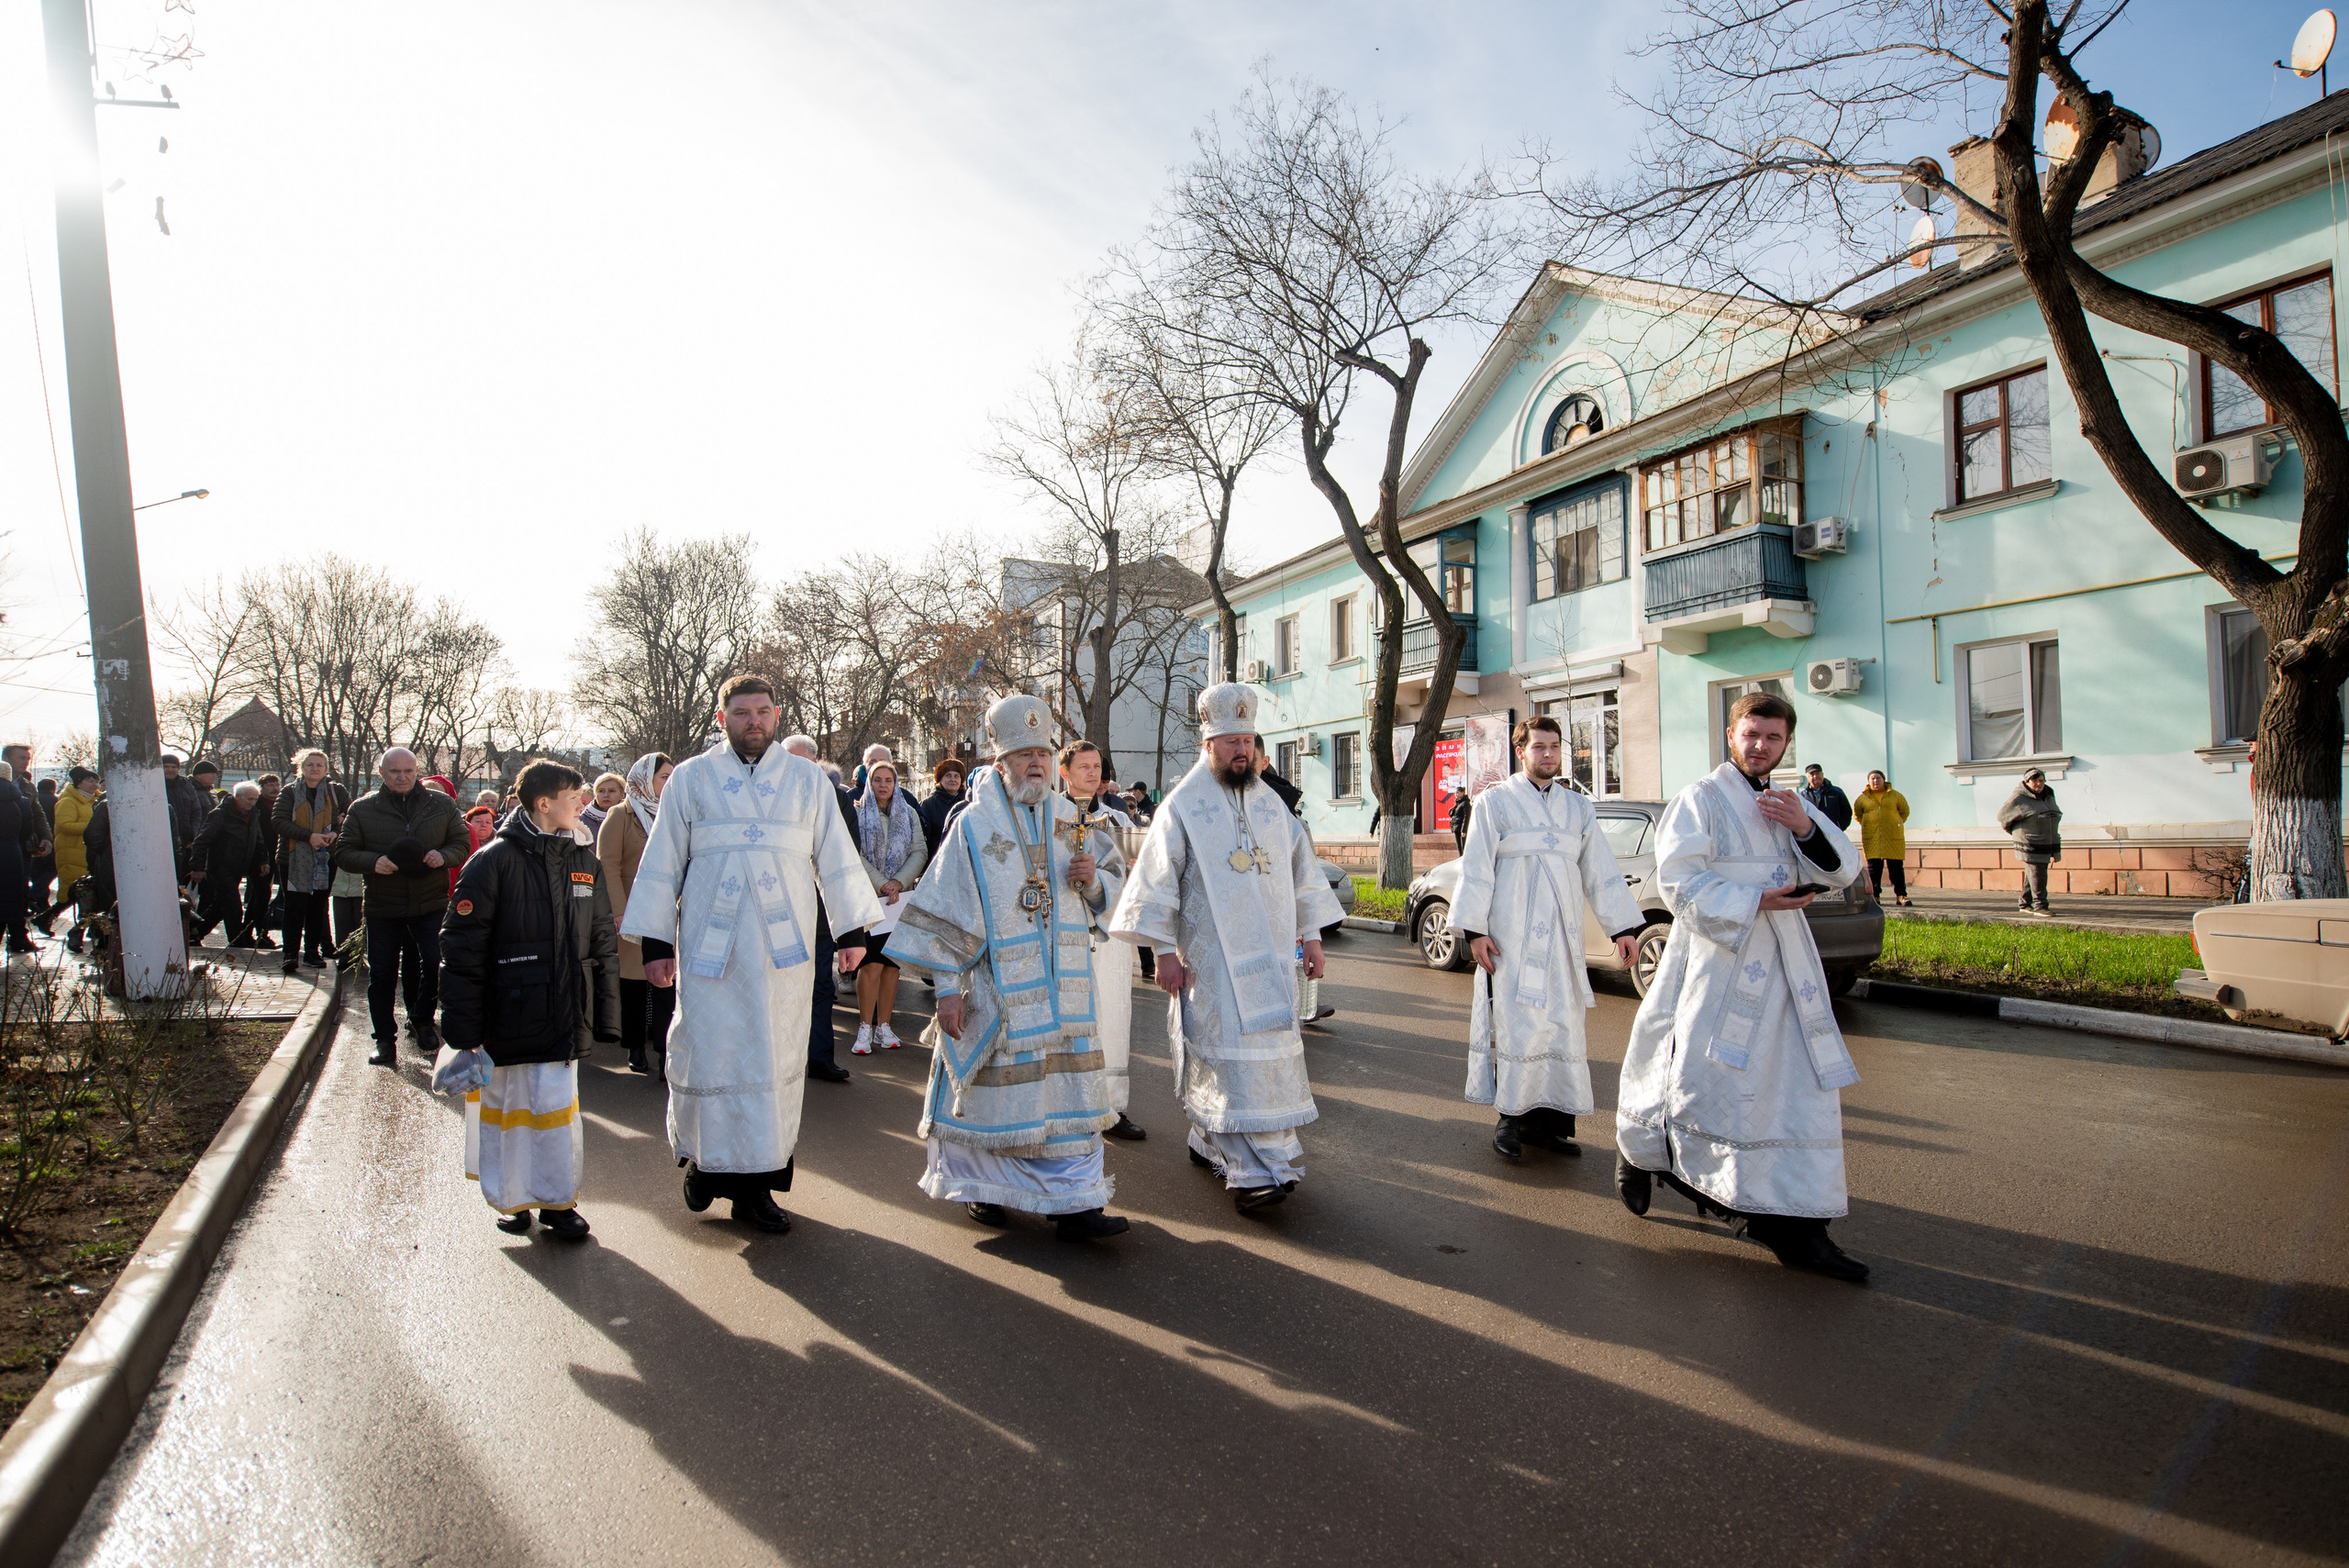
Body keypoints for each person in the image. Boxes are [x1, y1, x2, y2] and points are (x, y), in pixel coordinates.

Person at [1614, 690, 1872, 1284]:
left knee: (1797, 1088)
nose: (1760, 745)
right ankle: (1646, 1152)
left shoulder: (1789, 803)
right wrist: (1754, 900)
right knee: (1703, 1080)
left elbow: (1842, 868)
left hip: (1786, 965)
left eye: (1773, 737)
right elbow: (1677, 882)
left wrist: (1805, 825)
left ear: (1787, 743)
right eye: (1750, 734)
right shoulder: (1700, 799)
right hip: (1716, 962)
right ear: (1731, 735)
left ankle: (1798, 1222)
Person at [620, 676, 885, 1235]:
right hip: (708, 953)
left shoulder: (807, 780)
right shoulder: (691, 779)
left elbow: (835, 853)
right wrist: (655, 943)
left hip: (781, 957)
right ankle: (704, 1166)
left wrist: (851, 931)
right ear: (722, 718)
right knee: (709, 1053)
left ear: (777, 714)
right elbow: (663, 860)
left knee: (772, 1061)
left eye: (763, 711)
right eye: (742, 713)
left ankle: (758, 1190)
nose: (754, 722)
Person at [887, 695, 1132, 1241]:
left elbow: (1112, 886)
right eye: (1024, 755)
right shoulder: (972, 827)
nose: (1036, 765)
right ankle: (982, 1189)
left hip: (1066, 992)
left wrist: (1093, 880)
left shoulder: (1074, 819)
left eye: (1042, 753)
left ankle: (1073, 1200)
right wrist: (947, 991)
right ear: (1001, 762)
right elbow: (944, 912)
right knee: (998, 1098)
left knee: (1064, 1096)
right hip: (996, 994)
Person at [1108, 683, 1344, 1212]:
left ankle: (1216, 1142)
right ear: (1208, 744)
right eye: (1230, 741)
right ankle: (1252, 1171)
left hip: (1273, 960)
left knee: (1266, 1062)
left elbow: (1303, 874)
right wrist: (1164, 953)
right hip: (1211, 964)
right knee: (1229, 1065)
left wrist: (1312, 938)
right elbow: (1156, 883)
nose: (1242, 750)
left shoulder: (1271, 808)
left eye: (1248, 739)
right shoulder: (1183, 806)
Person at [1449, 717, 1645, 1162]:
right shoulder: (1494, 803)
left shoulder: (1578, 808)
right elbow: (1476, 867)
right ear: (1522, 751)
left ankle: (1549, 1124)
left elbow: (1600, 872)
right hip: (1511, 939)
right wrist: (1476, 931)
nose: (1549, 755)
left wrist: (1623, 928)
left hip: (1562, 942)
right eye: (1539, 747)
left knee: (1560, 1025)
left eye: (1555, 746)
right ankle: (1511, 1121)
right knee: (1519, 1028)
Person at [440, 759, 618, 1240]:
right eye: (574, 795)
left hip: (563, 1014)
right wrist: (462, 1030)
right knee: (510, 1113)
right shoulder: (493, 861)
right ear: (544, 803)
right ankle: (511, 1200)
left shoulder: (584, 860)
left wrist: (607, 1013)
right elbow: (462, 949)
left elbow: (601, 937)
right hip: (508, 1014)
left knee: (557, 1113)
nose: (582, 802)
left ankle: (560, 1204)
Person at [337, 746, 473, 1066]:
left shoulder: (440, 804)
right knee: (382, 974)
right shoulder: (363, 808)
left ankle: (422, 1019)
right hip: (383, 906)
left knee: (436, 962)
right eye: (395, 771)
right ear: (382, 773)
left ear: (417, 771)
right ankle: (384, 1040)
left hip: (430, 901)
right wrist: (374, 862)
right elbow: (343, 852)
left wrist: (444, 856)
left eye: (408, 771)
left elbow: (461, 843)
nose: (402, 777)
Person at [1061, 740, 1145, 1140]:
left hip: (1109, 935)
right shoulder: (1050, 817)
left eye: (1097, 767)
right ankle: (1070, 1105)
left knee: (1113, 1015)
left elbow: (1137, 877)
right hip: (1065, 936)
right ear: (1065, 772)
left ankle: (1113, 1108)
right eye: (1084, 766)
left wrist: (1132, 869)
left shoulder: (1116, 820)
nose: (1093, 773)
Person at [781, 734, 861, 1084]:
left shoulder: (837, 800)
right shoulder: (767, 796)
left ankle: (819, 1058)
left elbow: (845, 856)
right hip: (777, 912)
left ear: (815, 763)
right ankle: (782, 1062)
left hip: (817, 912)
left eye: (799, 761)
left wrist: (849, 930)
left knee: (820, 989)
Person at [599, 751, 675, 1076]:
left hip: (668, 910)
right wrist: (619, 911)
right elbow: (607, 865)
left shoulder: (674, 812)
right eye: (663, 777)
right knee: (634, 984)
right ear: (645, 779)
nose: (669, 783)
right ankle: (634, 1047)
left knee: (666, 984)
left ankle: (663, 1052)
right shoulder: (621, 815)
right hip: (633, 911)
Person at [850, 758, 926, 1054]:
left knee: (892, 967)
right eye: (878, 780)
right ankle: (864, 1027)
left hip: (898, 899)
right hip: (869, 898)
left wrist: (898, 881)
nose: (883, 785)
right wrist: (881, 882)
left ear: (896, 784)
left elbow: (919, 851)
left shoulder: (908, 814)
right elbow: (854, 853)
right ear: (869, 783)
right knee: (870, 965)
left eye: (889, 780)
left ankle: (884, 1025)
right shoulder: (858, 814)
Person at [273, 750, 348, 975]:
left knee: (317, 906)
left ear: (326, 769)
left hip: (326, 858)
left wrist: (336, 831)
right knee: (294, 907)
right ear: (301, 768)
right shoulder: (289, 792)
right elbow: (278, 821)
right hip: (292, 858)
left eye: (319, 765)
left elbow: (351, 817)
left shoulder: (337, 792)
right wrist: (309, 836)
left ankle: (312, 952)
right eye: (310, 765)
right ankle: (290, 954)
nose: (315, 769)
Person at [190, 781, 276, 949]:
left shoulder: (253, 813)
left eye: (255, 799)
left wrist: (263, 861)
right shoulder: (220, 814)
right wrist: (198, 867)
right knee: (233, 906)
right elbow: (201, 841)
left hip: (240, 865)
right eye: (249, 799)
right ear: (238, 797)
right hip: (221, 866)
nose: (252, 803)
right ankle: (237, 942)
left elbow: (258, 839)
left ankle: (195, 934)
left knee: (221, 905)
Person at [43, 768, 99, 951]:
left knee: (77, 895)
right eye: (90, 781)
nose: (94, 784)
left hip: (89, 855)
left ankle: (44, 918)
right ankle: (76, 934)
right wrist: (95, 826)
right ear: (79, 783)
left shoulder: (96, 800)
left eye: (95, 781)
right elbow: (65, 825)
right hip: (72, 855)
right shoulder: (67, 801)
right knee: (85, 896)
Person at [0, 762, 50, 955]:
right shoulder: (20, 798)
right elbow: (28, 829)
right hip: (14, 853)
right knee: (13, 897)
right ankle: (18, 938)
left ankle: (18, 938)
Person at [1998, 768, 2062, 917]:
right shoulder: (2019, 798)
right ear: (2027, 782)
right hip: (2030, 842)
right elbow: (2003, 816)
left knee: (2033, 873)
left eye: (2042, 781)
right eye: (2035, 781)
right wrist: (2018, 833)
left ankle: (2025, 903)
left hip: (2047, 841)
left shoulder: (2048, 794)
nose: (2039, 784)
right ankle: (2040, 906)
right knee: (2038, 873)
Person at [1853, 770, 1910, 906]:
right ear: (1869, 781)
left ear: (1883, 780)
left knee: (1896, 869)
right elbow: (1857, 815)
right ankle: (1875, 896)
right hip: (1872, 838)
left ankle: (1901, 895)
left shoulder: (1895, 796)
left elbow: (1905, 812)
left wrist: (1894, 824)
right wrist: (1869, 825)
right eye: (1872, 778)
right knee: (1874, 870)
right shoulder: (1863, 798)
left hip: (1892, 838)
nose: (1875, 781)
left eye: (1878, 778)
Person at [918, 756, 966, 858]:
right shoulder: (928, 805)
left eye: (956, 776)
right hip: (937, 860)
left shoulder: (968, 804)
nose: (953, 779)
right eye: (948, 775)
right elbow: (922, 840)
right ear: (940, 779)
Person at [1798, 764, 1853, 831]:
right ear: (1807, 778)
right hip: (1812, 835)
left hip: (1834, 834)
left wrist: (1839, 828)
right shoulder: (1802, 796)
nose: (1815, 776)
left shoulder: (1836, 792)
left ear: (1822, 774)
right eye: (1812, 774)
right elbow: (1799, 815)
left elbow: (1846, 812)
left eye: (1817, 773)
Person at [581, 772, 625, 838]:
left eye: (611, 791)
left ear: (622, 795)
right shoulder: (581, 821)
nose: (606, 795)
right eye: (601, 791)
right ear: (595, 794)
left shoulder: (630, 820)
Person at [1448, 789, 1473, 855]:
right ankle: (1461, 858)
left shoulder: (1465, 803)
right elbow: (1452, 814)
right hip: (1456, 828)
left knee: (1463, 846)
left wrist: (1464, 830)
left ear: (1462, 793)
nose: (1456, 795)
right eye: (1455, 793)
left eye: (1458, 793)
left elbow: (1466, 817)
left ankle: (1464, 860)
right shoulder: (1457, 803)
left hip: (1461, 828)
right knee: (1459, 847)